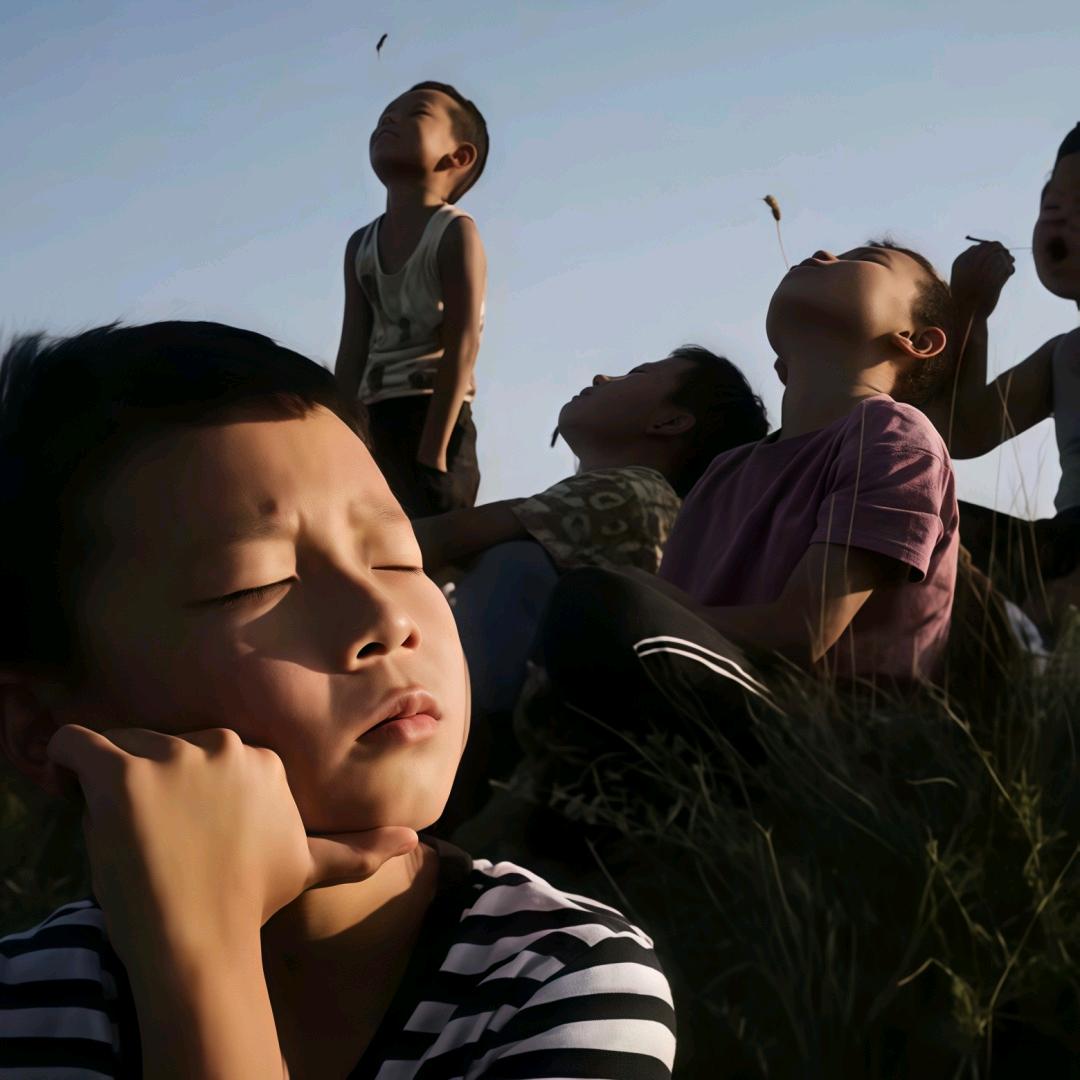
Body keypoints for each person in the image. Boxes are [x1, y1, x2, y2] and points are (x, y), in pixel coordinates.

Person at [0, 322, 676, 1078]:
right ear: (39, 726)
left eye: (397, 557)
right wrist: (198, 948)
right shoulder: (24, 1002)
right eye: (256, 583)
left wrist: (202, 963)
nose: (387, 621)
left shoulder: (554, 978)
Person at [532, 240, 960, 776]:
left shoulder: (897, 437)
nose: (824, 252)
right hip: (719, 697)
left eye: (866, 260)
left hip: (831, 741)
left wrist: (639, 603)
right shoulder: (728, 470)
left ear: (917, 340)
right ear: (781, 366)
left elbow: (802, 634)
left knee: (601, 603)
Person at [419, 347, 767, 828]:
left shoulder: (635, 491)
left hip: (514, 757)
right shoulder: (627, 503)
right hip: (549, 757)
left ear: (670, 423)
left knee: (510, 563)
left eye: (638, 373)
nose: (604, 376)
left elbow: (430, 539)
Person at [921, 123, 1080, 635]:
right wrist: (970, 314)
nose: (1054, 212)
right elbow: (961, 431)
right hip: (1061, 544)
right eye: (1048, 198)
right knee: (903, 522)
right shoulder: (1065, 356)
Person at [335, 82, 488, 518]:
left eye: (415, 113)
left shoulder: (454, 232)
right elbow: (353, 347)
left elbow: (462, 343)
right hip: (372, 418)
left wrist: (435, 450)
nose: (389, 121)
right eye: (385, 115)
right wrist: (342, 431)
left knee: (425, 537)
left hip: (433, 413)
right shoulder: (360, 245)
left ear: (458, 157)